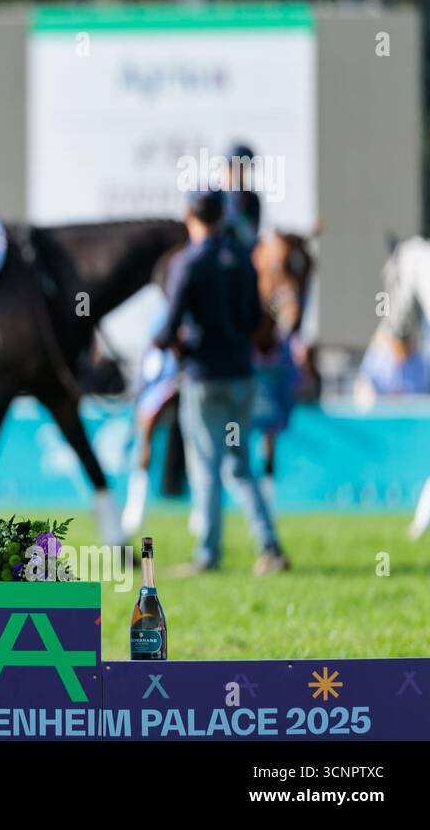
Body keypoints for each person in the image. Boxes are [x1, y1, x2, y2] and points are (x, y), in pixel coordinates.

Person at [154, 188, 290, 575]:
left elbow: (170, 323)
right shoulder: (243, 261)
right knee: (240, 465)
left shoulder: (188, 262)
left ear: (190, 215)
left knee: (206, 466)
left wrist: (162, 341)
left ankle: (208, 554)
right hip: (241, 379)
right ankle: (269, 547)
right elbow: (253, 321)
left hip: (204, 380)